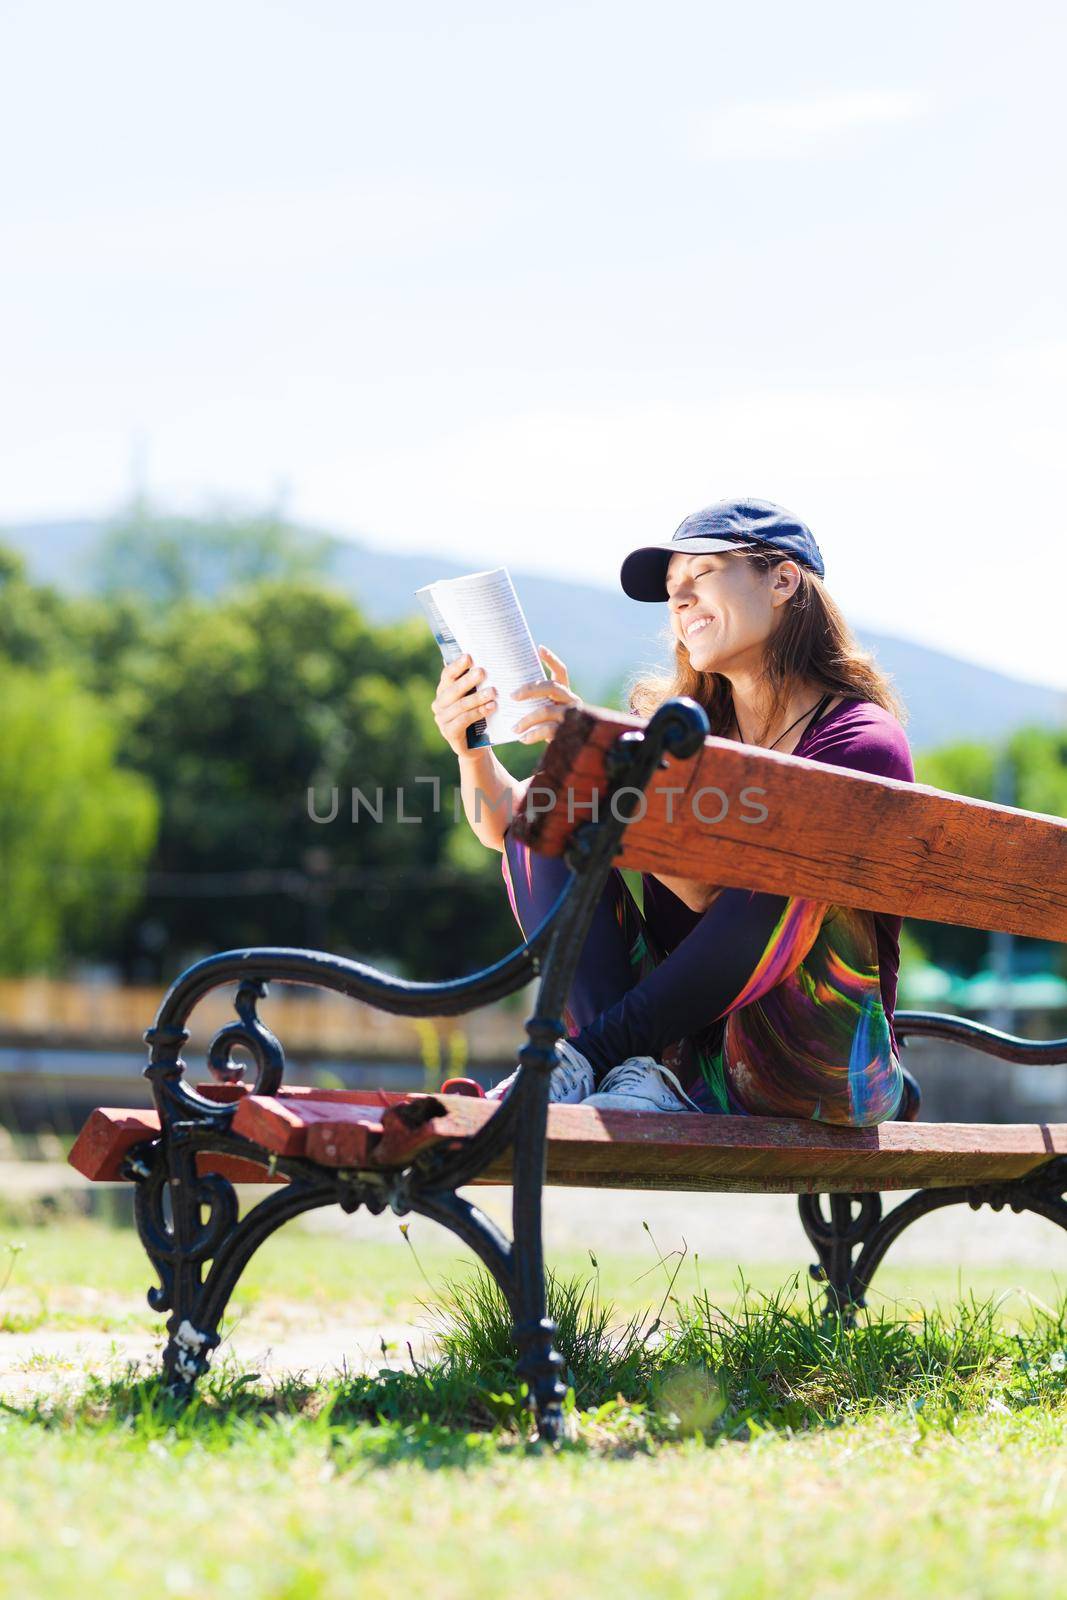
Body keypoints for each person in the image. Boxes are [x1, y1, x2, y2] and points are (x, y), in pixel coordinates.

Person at [430, 498, 914, 1124]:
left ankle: (587, 1057)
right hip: (663, 1071)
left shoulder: (859, 740)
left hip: (817, 1068)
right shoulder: (680, 734)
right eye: (671, 591)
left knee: (800, 858)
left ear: (783, 581)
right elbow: (512, 829)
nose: (680, 601)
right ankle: (604, 1066)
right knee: (551, 814)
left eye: (702, 575)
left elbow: (717, 891)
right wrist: (472, 746)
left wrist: (604, 765)